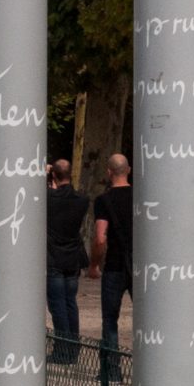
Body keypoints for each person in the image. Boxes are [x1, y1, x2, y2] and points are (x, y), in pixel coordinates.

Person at [89, 153, 132, 365]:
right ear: (129, 170)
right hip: (140, 266)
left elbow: (100, 238)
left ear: (108, 172)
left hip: (115, 264)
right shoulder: (141, 196)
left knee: (110, 319)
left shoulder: (103, 201)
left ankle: (111, 368)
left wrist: (94, 264)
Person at [45, 158, 90, 364]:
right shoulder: (82, 200)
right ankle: (73, 348)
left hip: (54, 257)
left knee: (58, 305)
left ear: (54, 175)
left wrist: (45, 176)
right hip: (73, 257)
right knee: (71, 303)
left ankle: (62, 349)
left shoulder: (49, 198)